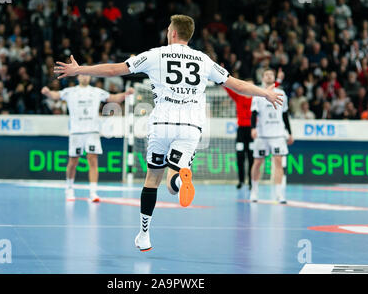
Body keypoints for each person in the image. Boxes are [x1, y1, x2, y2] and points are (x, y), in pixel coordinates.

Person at [53, 14, 283, 252]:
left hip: (162, 123)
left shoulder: (156, 54)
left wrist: (80, 69)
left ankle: (144, 235)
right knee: (174, 180)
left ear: (173, 32)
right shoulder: (203, 59)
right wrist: (265, 93)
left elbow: (114, 70)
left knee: (152, 178)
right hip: (191, 127)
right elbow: (237, 84)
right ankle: (178, 177)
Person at [41, 74, 134, 202]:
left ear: (90, 78)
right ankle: (69, 188)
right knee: (73, 162)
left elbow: (113, 98)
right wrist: (47, 92)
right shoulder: (70, 91)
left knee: (93, 161)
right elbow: (56, 95)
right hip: (76, 132)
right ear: (78, 77)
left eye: (87, 75)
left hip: (92, 132)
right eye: (82, 75)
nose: (84, 77)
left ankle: (93, 192)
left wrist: (126, 93)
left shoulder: (96, 92)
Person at [250, 68, 294, 204]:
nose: (269, 76)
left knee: (278, 162)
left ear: (274, 77)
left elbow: (285, 114)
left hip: (278, 134)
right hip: (262, 134)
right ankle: (254, 191)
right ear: (262, 78)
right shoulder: (257, 94)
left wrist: (290, 132)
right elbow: (253, 113)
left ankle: (279, 194)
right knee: (257, 163)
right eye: (266, 75)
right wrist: (252, 128)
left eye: (271, 75)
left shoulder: (281, 93)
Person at [223, 79, 254, 190]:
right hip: (241, 132)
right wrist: (222, 75)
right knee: (240, 156)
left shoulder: (256, 99)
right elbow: (227, 88)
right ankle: (241, 181)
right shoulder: (238, 97)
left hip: (252, 132)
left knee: (251, 157)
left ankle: (251, 181)